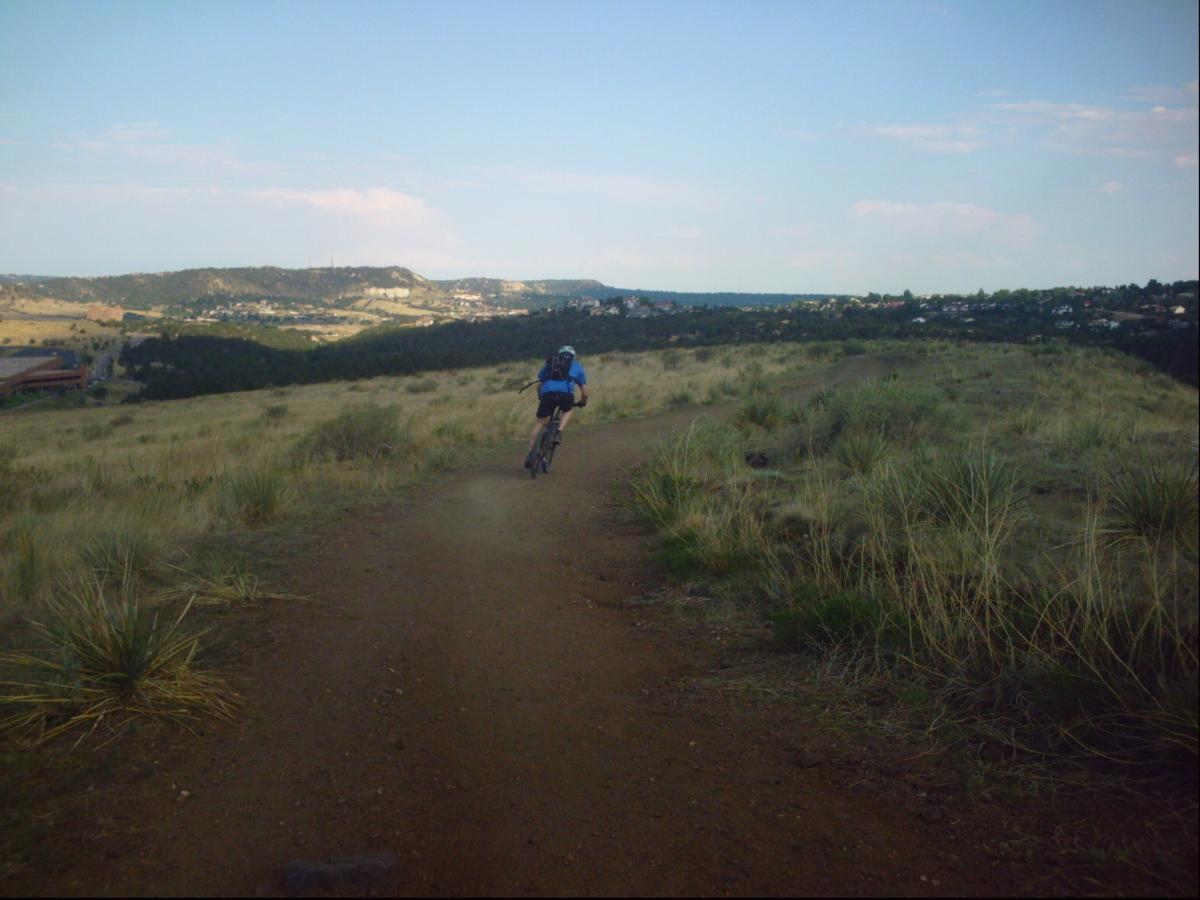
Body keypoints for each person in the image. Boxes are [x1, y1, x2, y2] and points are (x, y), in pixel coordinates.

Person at [526, 345, 589, 469]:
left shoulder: (550, 363)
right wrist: (583, 402)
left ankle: (530, 454)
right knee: (568, 409)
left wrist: (541, 396)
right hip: (566, 395)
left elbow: (539, 384)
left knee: (540, 423)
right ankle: (559, 432)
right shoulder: (577, 366)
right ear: (573, 356)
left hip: (548, 394)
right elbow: (585, 392)